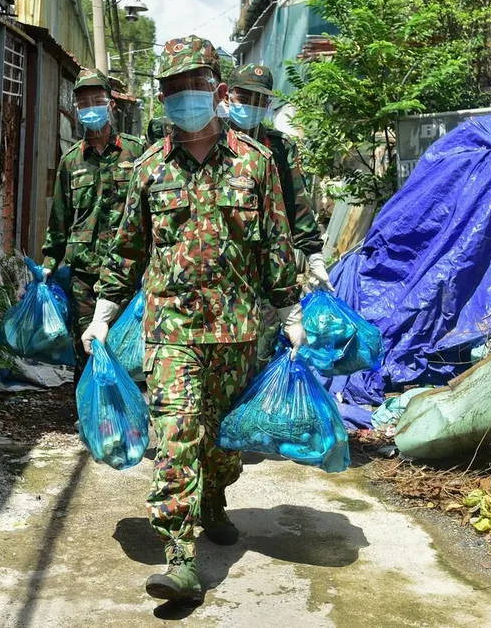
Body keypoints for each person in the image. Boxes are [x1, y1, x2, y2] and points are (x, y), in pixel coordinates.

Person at [80, 36, 306, 602]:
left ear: (218, 91)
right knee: (178, 431)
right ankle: (180, 556)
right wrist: (104, 314)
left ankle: (215, 494)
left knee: (221, 442)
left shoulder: (255, 165)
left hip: (237, 331)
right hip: (171, 330)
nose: (182, 98)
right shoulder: (149, 168)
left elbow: (275, 245)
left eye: (192, 87)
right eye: (171, 90)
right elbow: (128, 249)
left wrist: (292, 312)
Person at [40, 68, 146, 385]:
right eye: (83, 102)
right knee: (86, 341)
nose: (90, 107)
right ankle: (90, 413)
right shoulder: (71, 161)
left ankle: (126, 413)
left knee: (125, 344)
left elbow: (149, 214)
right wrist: (49, 261)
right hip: (84, 272)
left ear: (110, 103)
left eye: (96, 99)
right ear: (76, 108)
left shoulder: (135, 153)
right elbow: (59, 216)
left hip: (127, 270)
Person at [224, 64, 330, 364]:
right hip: (224, 263)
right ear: (227, 97)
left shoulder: (280, 148)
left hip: (270, 265)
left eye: (258, 100)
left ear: (267, 104)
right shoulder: (213, 144)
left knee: (261, 351)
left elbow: (297, 203)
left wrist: (314, 255)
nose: (250, 105)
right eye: (244, 97)